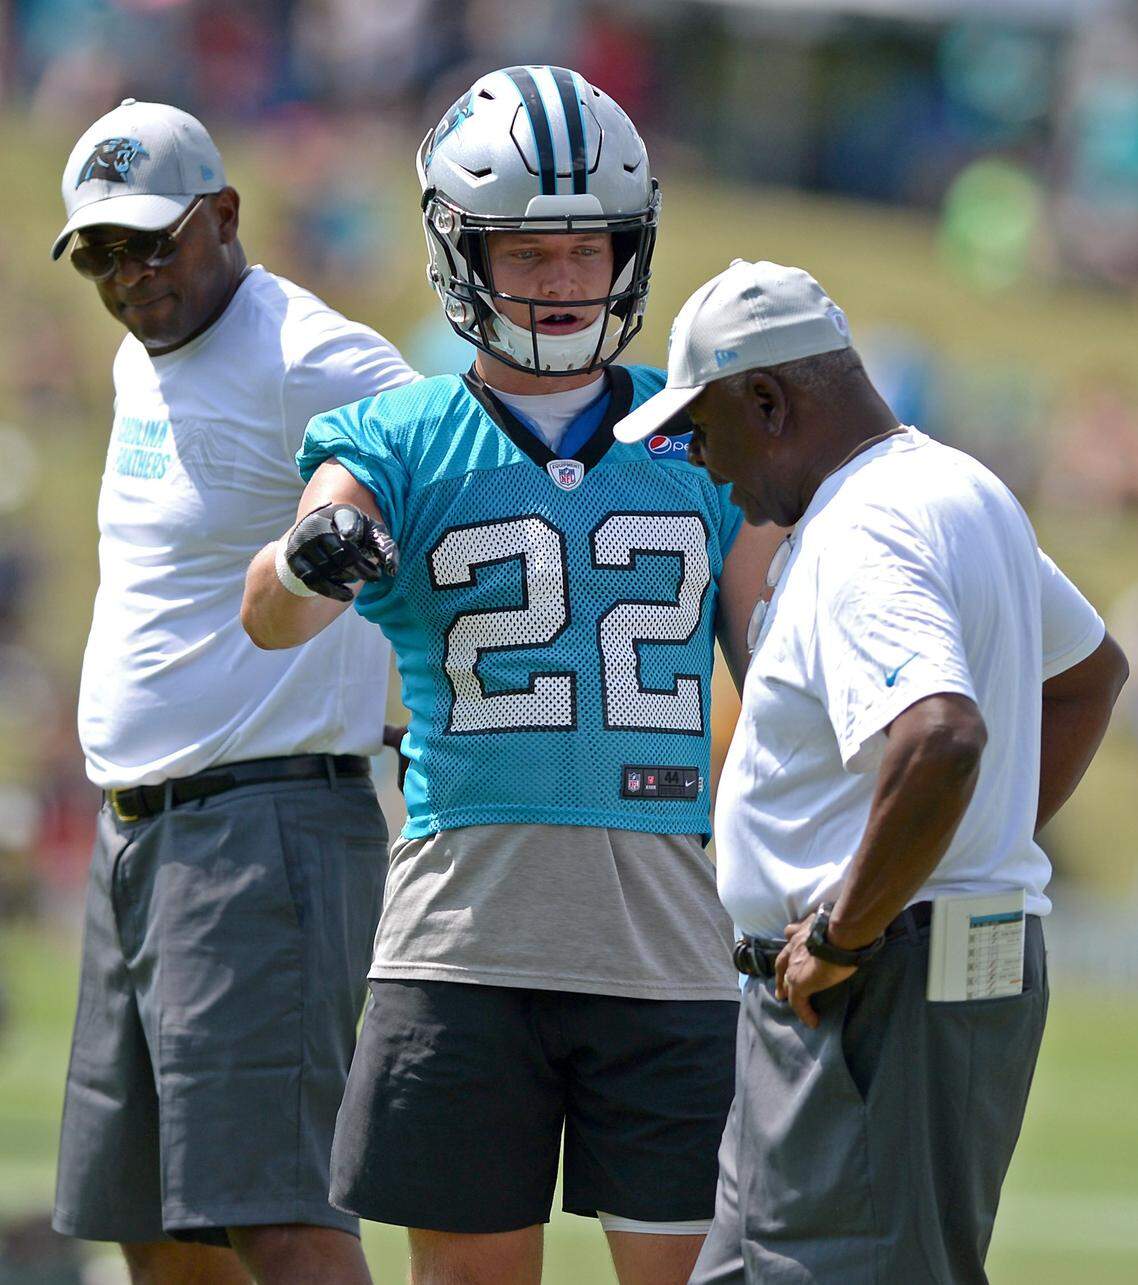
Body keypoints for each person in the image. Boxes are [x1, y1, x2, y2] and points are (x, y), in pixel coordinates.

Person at [242, 66, 780, 1285]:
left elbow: (776, 676)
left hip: (668, 941)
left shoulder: (702, 432)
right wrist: (306, 556)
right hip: (461, 945)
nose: (560, 277)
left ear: (629, 251)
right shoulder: (396, 433)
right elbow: (269, 614)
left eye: (587, 248)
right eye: (525, 248)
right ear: (460, 249)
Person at [613, 258, 1130, 1284]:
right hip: (907, 964)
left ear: (768, 399)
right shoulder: (956, 487)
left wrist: (852, 925)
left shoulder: (865, 527)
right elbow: (1089, 674)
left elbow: (940, 733)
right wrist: (970, 852)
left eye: (700, 430)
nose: (704, 465)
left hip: (868, 987)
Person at [50, 99, 417, 1285]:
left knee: (279, 1216)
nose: (128, 276)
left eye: (151, 243)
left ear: (224, 216)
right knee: (154, 1223)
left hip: (264, 832)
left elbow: (435, 471)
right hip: (142, 839)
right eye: (100, 252)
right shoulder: (141, 352)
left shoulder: (306, 354)